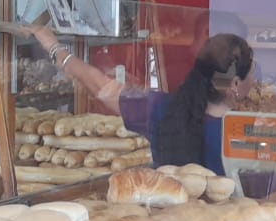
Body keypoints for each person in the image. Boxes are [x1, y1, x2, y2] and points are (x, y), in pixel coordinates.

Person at [27, 25, 254, 175]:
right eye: (252, 73)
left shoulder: (162, 108)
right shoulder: (245, 134)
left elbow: (99, 85)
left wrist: (55, 48)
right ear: (235, 84)